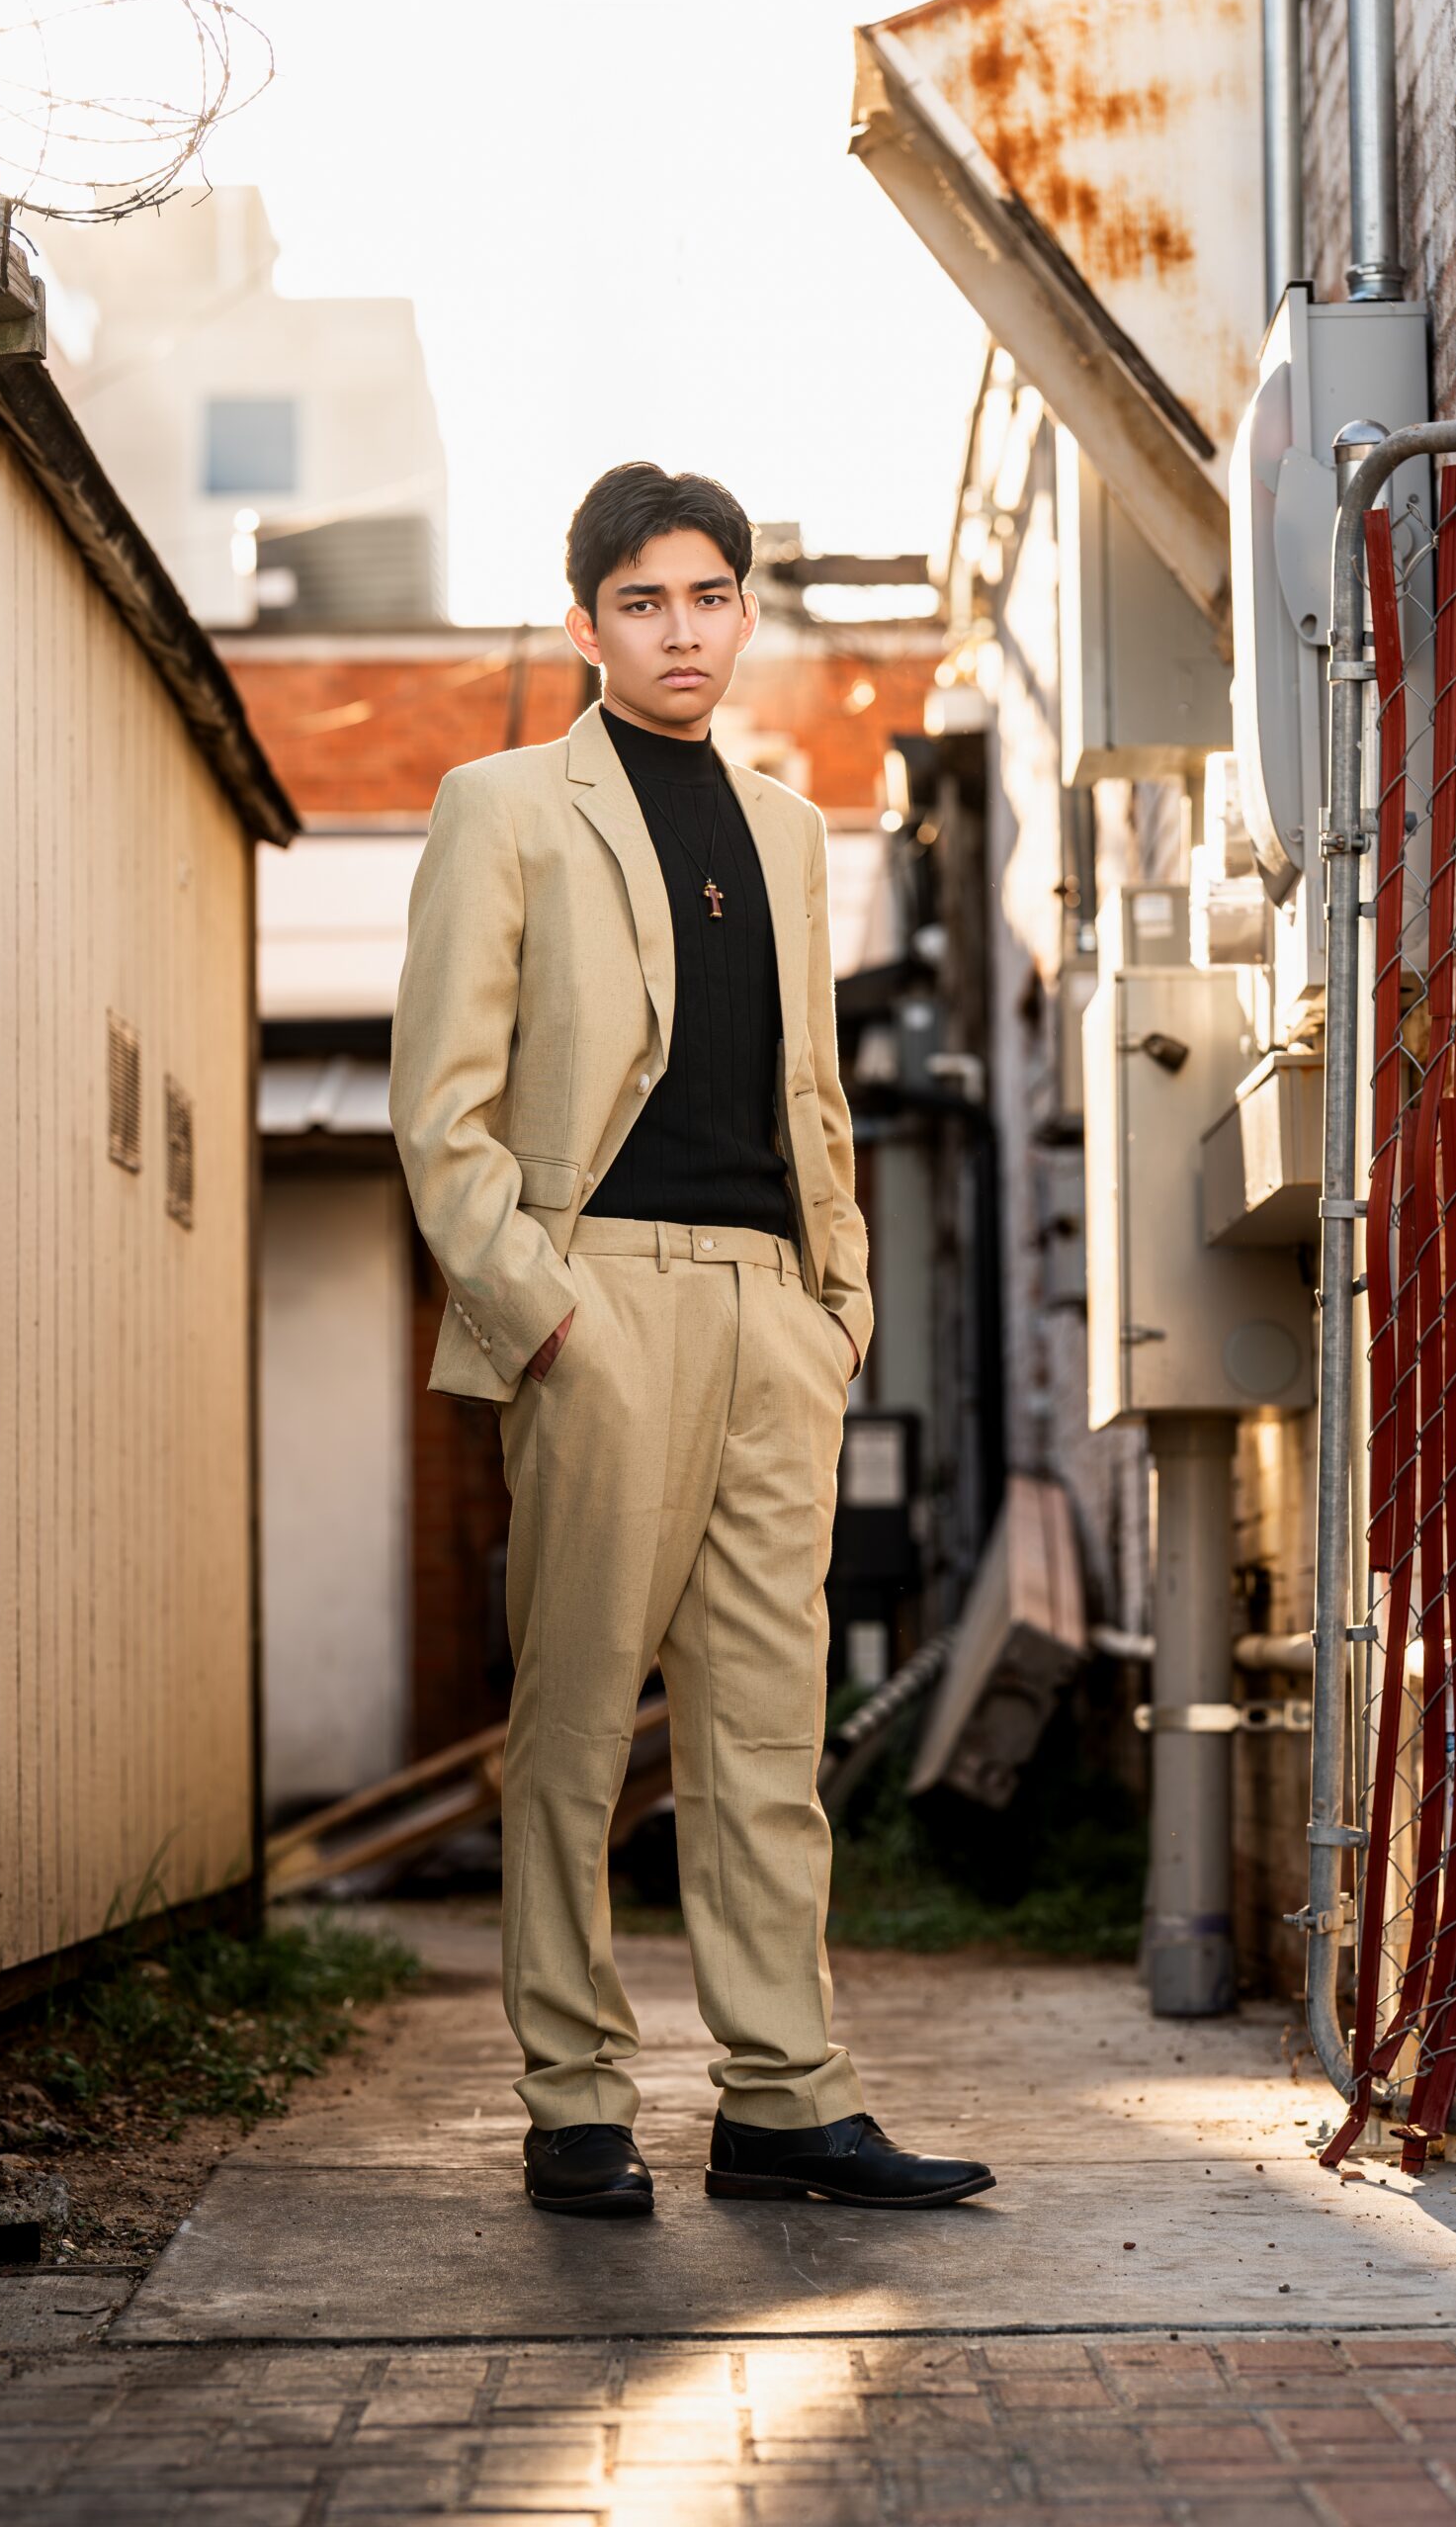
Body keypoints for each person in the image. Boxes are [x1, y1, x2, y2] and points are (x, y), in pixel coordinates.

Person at [389, 462, 993, 2219]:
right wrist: (543, 1311)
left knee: (764, 1736)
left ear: (744, 613)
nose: (680, 629)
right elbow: (442, 1115)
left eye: (708, 596)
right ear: (586, 623)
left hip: (772, 1311)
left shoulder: (793, 830)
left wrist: (841, 1298)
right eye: (641, 600)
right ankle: (575, 2099)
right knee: (577, 1726)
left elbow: (816, 1091)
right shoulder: (500, 805)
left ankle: (784, 2100)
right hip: (603, 1305)